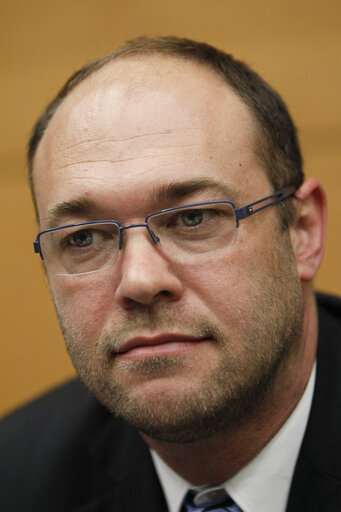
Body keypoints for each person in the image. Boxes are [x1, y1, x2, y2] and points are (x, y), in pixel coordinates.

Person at [0, 36, 340, 512]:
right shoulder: (16, 480)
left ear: (302, 231)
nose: (139, 281)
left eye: (194, 218)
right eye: (83, 238)